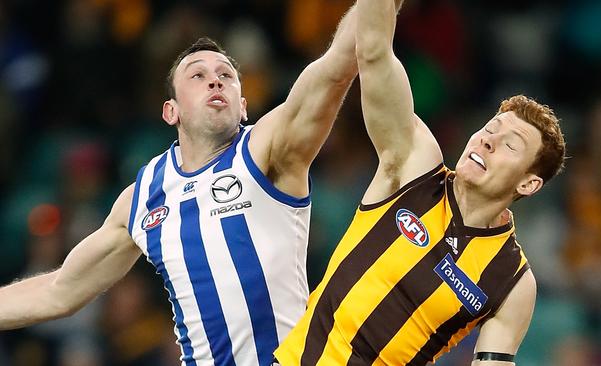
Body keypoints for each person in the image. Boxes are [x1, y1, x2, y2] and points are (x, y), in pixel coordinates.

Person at [0, 4, 360, 365]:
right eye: (197, 75)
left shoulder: (266, 150)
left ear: (244, 106)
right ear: (171, 111)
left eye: (226, 75)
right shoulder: (142, 198)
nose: (215, 80)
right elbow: (58, 292)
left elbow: (337, 64)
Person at [274, 0, 566, 365]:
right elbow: (374, 52)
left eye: (510, 144)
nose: (487, 140)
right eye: (490, 128)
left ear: (528, 184)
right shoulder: (416, 167)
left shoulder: (512, 281)